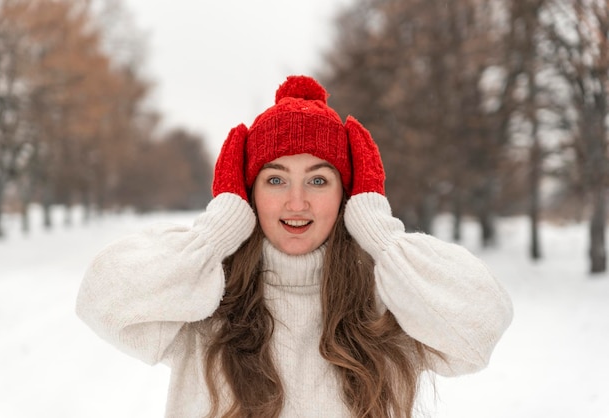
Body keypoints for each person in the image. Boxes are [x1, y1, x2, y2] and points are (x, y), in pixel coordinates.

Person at [76, 75, 513, 418]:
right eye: (276, 179)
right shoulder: (204, 307)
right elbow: (101, 297)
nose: (297, 202)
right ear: (248, 195)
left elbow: (482, 326)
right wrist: (213, 235)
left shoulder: (391, 308)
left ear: (349, 196)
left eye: (319, 180)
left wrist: (382, 238)